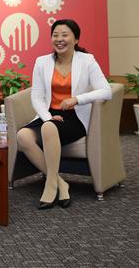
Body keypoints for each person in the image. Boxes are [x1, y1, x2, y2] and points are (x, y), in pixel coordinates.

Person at [16, 18, 111, 209]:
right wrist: (47, 117)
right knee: (23, 136)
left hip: (75, 116)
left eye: (64, 35)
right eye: (55, 35)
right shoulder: (42, 62)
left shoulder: (87, 61)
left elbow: (106, 91)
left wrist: (77, 99)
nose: (59, 39)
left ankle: (50, 187)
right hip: (50, 114)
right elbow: (37, 96)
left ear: (76, 39)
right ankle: (60, 182)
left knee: (49, 128)